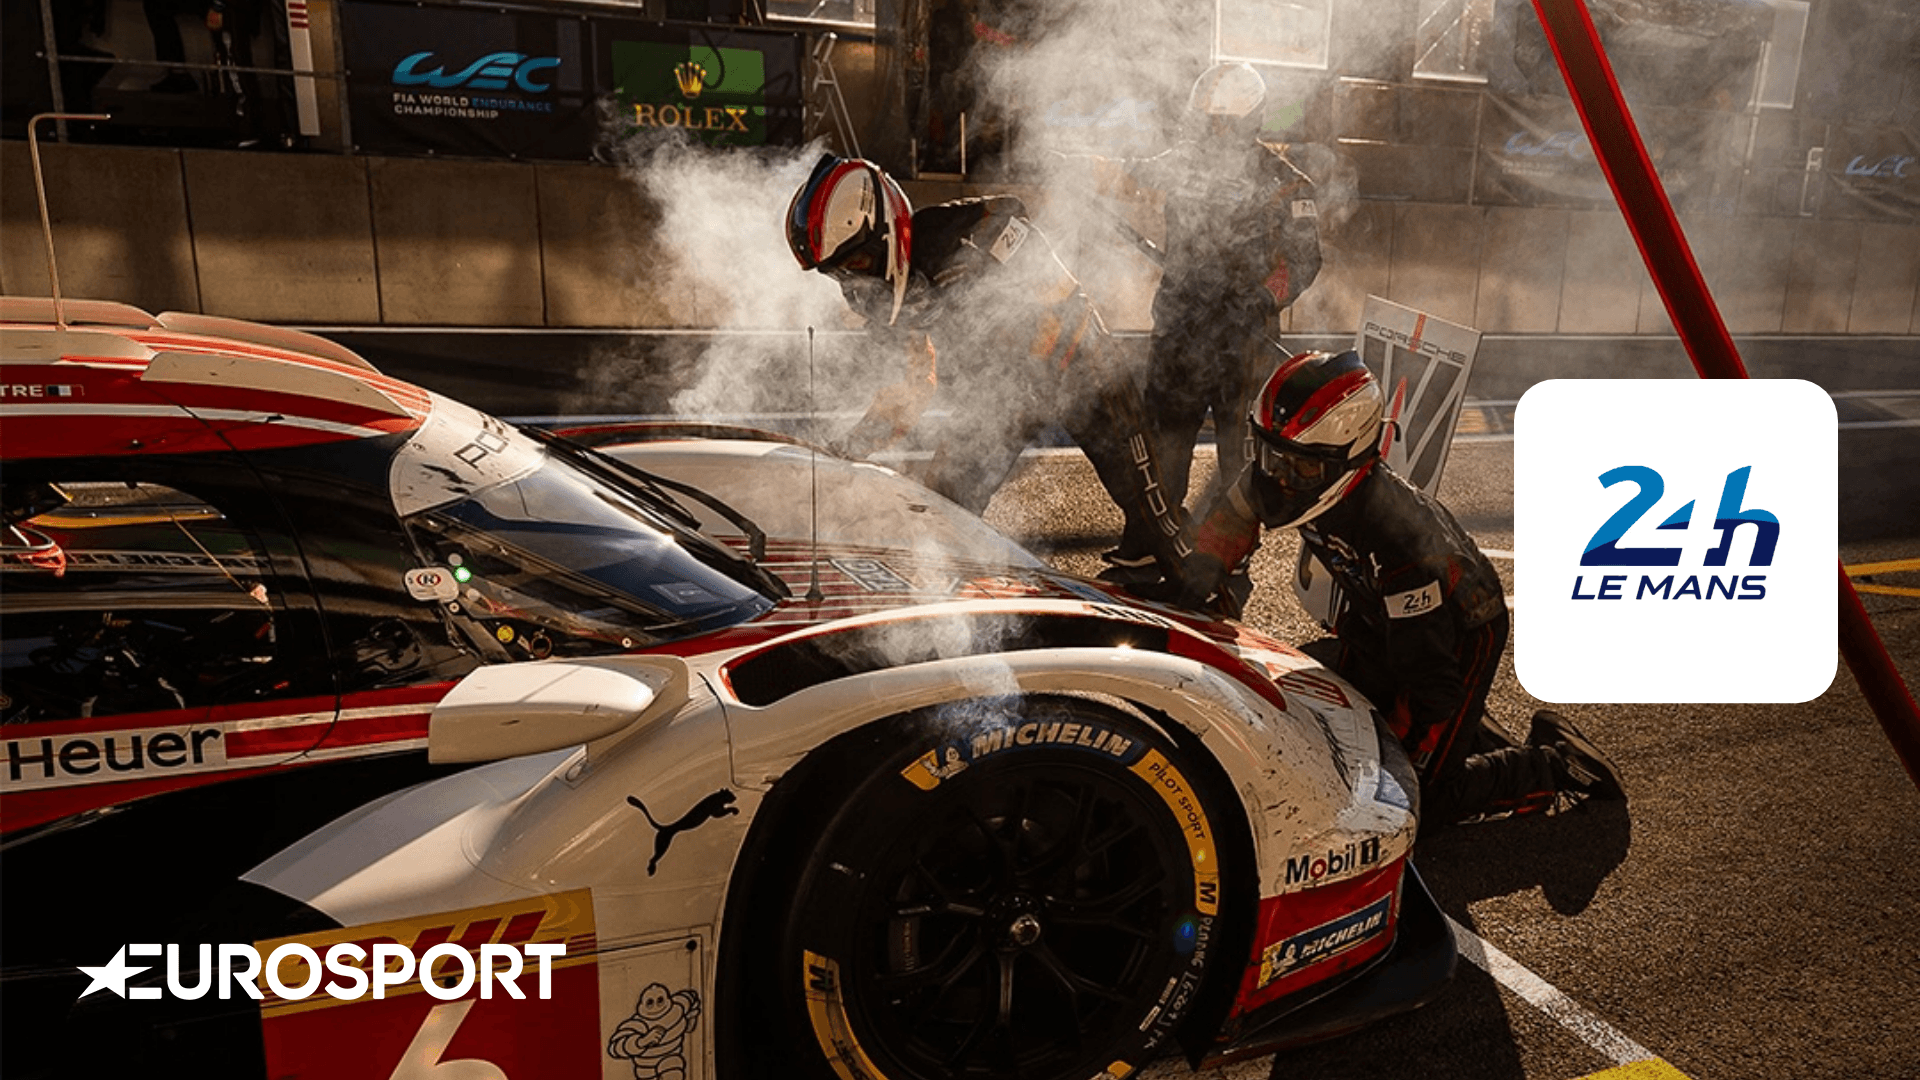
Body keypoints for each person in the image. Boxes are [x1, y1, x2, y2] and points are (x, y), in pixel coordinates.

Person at [1175, 349, 1624, 826]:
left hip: (1456, 633)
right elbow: (1229, 522)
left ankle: (1555, 763)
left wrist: (1402, 754)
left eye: (1300, 468)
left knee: (1408, 803)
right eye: (1271, 455)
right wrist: (1190, 595)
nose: (1280, 479)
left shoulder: (1398, 539)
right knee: (1307, 707)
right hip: (1377, 616)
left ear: (1349, 457)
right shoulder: (1285, 474)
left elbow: (1428, 675)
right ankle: (1470, 732)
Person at [784, 152, 1193, 576]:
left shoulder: (954, 231)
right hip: (999, 397)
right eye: (839, 274)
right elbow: (913, 386)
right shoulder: (892, 303)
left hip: (1082, 367)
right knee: (944, 507)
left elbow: (1018, 218)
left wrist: (985, 269)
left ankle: (1206, 592)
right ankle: (945, 601)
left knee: (1153, 513)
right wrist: (849, 447)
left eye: (854, 265)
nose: (852, 285)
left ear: (884, 232)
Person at [1071, 62, 1323, 575]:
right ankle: (1147, 539)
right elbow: (1128, 173)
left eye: (1222, 123)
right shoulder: (1184, 163)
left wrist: (1262, 298)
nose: (1212, 133)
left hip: (1243, 339)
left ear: (1249, 121)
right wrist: (1076, 169)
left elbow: (1305, 260)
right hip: (1181, 332)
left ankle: (1228, 554)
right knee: (1162, 441)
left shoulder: (1285, 184)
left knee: (1238, 452)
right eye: (1206, 121)